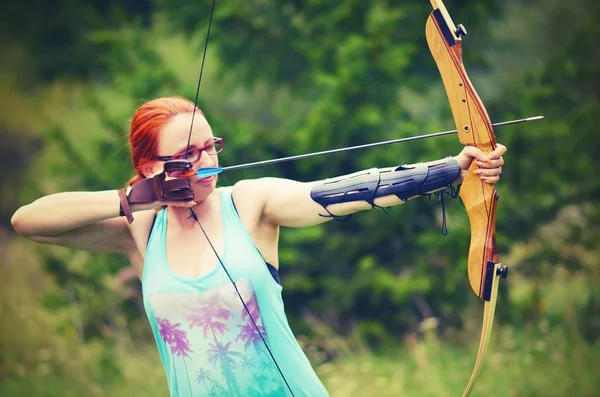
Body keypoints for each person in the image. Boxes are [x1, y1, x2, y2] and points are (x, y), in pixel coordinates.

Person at [11, 96, 506, 397]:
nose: (205, 161)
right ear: (149, 167)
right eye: (186, 155)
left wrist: (450, 169)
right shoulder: (140, 230)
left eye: (211, 147)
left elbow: (340, 192)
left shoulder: (250, 203)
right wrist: (135, 199)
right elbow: (28, 221)